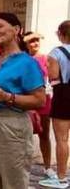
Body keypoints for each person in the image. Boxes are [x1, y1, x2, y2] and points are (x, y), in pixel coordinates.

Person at [0, 12, 45, 189]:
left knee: (14, 182)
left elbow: (39, 100)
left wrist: (9, 97)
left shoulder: (26, 63)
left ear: (16, 30)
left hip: (11, 126)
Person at [42, 20, 70, 188]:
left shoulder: (56, 52)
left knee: (62, 139)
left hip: (64, 95)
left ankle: (61, 178)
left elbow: (53, 76)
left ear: (61, 33)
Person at [25, 31, 54, 182]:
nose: (35, 43)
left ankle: (48, 166)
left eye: (37, 41)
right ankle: (24, 165)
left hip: (43, 97)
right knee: (25, 133)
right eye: (32, 41)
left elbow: (52, 76)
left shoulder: (45, 58)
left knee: (44, 132)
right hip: (26, 98)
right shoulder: (23, 60)